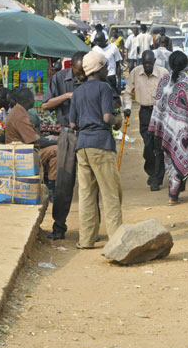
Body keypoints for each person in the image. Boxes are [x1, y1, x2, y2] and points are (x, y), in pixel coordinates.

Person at [69, 51, 123, 249]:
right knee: (111, 194)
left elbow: (73, 123)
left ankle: (86, 240)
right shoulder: (104, 88)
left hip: (82, 146)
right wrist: (117, 122)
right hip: (101, 144)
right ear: (99, 69)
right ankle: (117, 240)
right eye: (106, 67)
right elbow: (108, 117)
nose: (108, 71)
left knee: (86, 195)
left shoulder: (77, 91)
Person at [42, 51, 86, 239]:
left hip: (87, 134)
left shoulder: (92, 79)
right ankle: (59, 226)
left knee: (90, 184)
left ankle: (91, 228)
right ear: (71, 67)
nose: (81, 76)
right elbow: (46, 104)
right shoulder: (59, 79)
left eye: (84, 72)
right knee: (63, 183)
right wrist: (66, 96)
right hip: (67, 134)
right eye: (78, 72)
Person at [149, 51, 188, 205]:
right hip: (185, 129)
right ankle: (173, 194)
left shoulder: (164, 80)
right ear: (185, 64)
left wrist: (156, 129)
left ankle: (174, 191)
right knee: (183, 160)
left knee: (170, 161)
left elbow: (158, 106)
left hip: (167, 129)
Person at [123, 50, 168, 191]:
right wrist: (128, 107)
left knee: (159, 147)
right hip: (145, 113)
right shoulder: (136, 72)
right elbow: (128, 92)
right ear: (141, 61)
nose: (147, 66)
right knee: (148, 145)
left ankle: (157, 179)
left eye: (149, 63)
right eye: (145, 63)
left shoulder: (163, 73)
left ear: (154, 61)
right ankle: (151, 171)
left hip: (160, 113)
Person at [6, 87, 58, 200]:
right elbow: (34, 140)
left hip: (23, 149)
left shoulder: (19, 111)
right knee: (56, 150)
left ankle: (50, 183)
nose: (34, 101)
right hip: (22, 153)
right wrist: (56, 142)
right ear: (28, 100)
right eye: (33, 98)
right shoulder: (20, 115)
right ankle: (51, 188)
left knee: (53, 147)